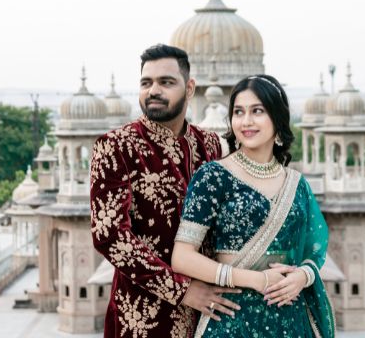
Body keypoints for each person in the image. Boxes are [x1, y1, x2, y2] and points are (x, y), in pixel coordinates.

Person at [91, 44, 241, 338]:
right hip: (142, 318)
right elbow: (109, 235)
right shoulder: (117, 146)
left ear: (189, 88)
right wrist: (182, 290)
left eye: (166, 82)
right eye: (146, 83)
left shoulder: (211, 145)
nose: (154, 90)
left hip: (211, 313)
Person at [171, 74, 335, 338]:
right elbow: (182, 257)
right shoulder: (213, 176)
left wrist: (303, 276)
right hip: (233, 318)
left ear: (277, 118)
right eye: (238, 112)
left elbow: (314, 250)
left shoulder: (297, 184)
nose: (246, 121)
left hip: (290, 319)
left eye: (257, 111)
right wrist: (256, 280)